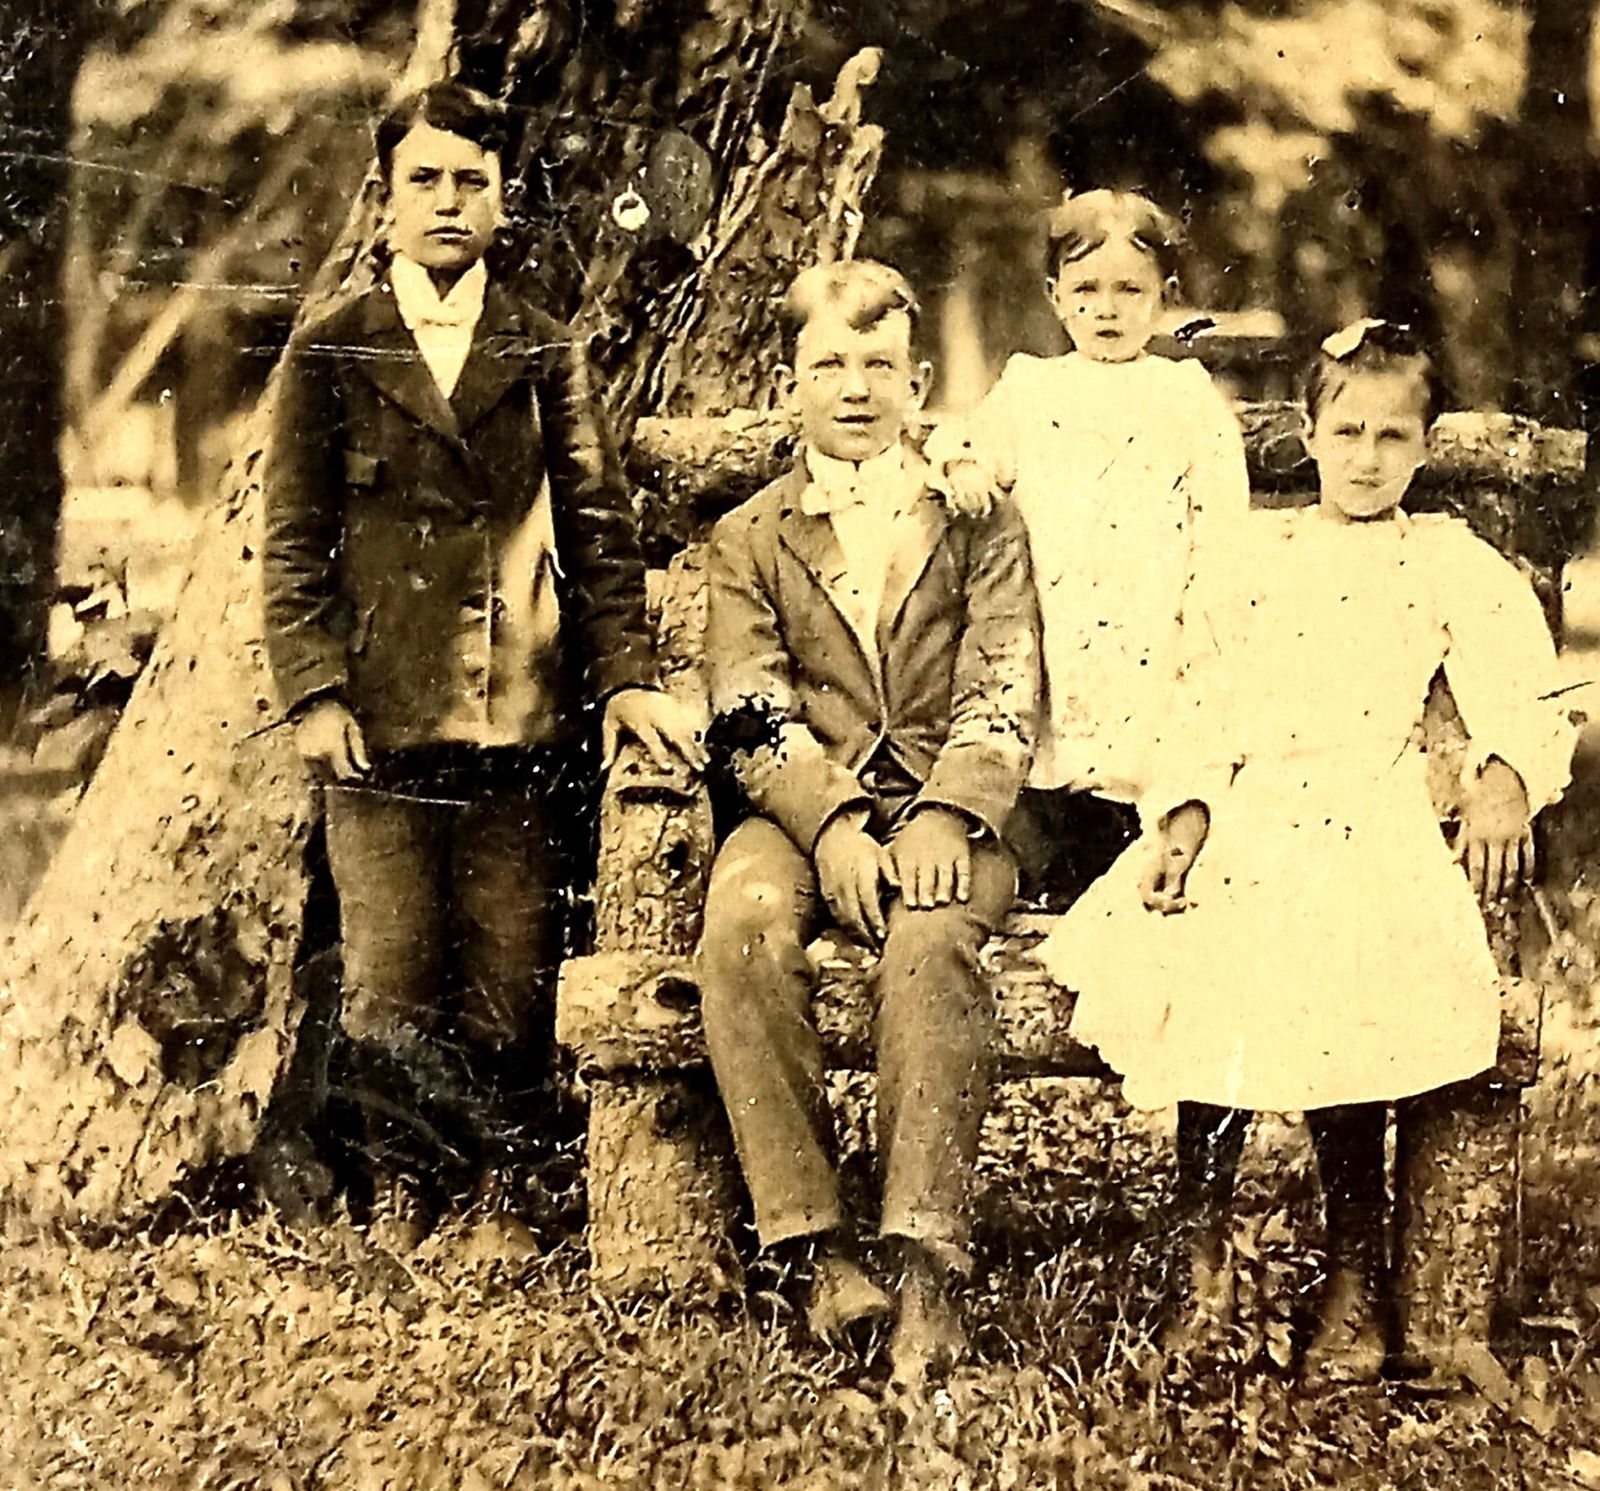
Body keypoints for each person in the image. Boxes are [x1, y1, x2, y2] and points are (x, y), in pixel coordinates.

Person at [1036, 320, 1575, 1382]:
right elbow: (1197, 697)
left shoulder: (1443, 558)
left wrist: (1506, 775)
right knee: (1200, 948)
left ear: (1423, 446)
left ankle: (1352, 1269)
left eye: (1392, 436)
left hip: (1368, 810)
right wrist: (1183, 817)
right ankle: (1203, 1262)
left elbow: (1526, 680)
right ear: (1309, 435)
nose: (1366, 458)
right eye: (1347, 432)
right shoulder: (1254, 557)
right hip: (1253, 807)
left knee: (1348, 966)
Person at [262, 81, 702, 1234]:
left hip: (517, 709)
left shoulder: (545, 346)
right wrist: (314, 691)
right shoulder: (331, 346)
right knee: (389, 964)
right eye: (425, 180)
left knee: (512, 959)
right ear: (386, 197)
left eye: (472, 182)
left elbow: (597, 530)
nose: (448, 202)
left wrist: (628, 678)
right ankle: (403, 1186)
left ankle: (501, 1191)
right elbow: (295, 541)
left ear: (504, 201)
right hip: (381, 714)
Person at [698, 260, 1041, 1384]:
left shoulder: (976, 515)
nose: (855, 388)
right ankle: (815, 1247)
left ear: (918, 380)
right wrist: (835, 820)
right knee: (743, 929)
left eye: (879, 364)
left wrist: (947, 812)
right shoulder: (750, 535)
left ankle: (926, 1263)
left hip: (949, 803)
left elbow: (1004, 682)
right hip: (804, 807)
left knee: (930, 940)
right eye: (829, 364)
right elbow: (748, 707)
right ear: (788, 382)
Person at [926, 189, 1249, 907]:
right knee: (1054, 786)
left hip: (1153, 627)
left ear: (1164, 296)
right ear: (1055, 296)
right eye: (1086, 290)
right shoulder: (1032, 388)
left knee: (1137, 783)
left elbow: (1222, 529)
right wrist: (965, 466)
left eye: (1130, 290)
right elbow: (960, 440)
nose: (1107, 310)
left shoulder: (1186, 396)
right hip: (1060, 626)